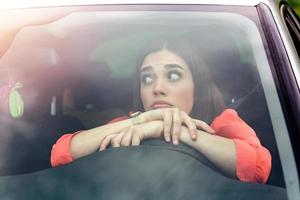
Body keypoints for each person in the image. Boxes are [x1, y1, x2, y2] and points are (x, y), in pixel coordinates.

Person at [51, 37, 271, 184]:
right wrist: (142, 121)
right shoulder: (127, 123)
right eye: (147, 78)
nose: (157, 88)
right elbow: (61, 154)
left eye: (173, 75)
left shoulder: (221, 123)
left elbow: (257, 167)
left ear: (197, 86)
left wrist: (167, 129)